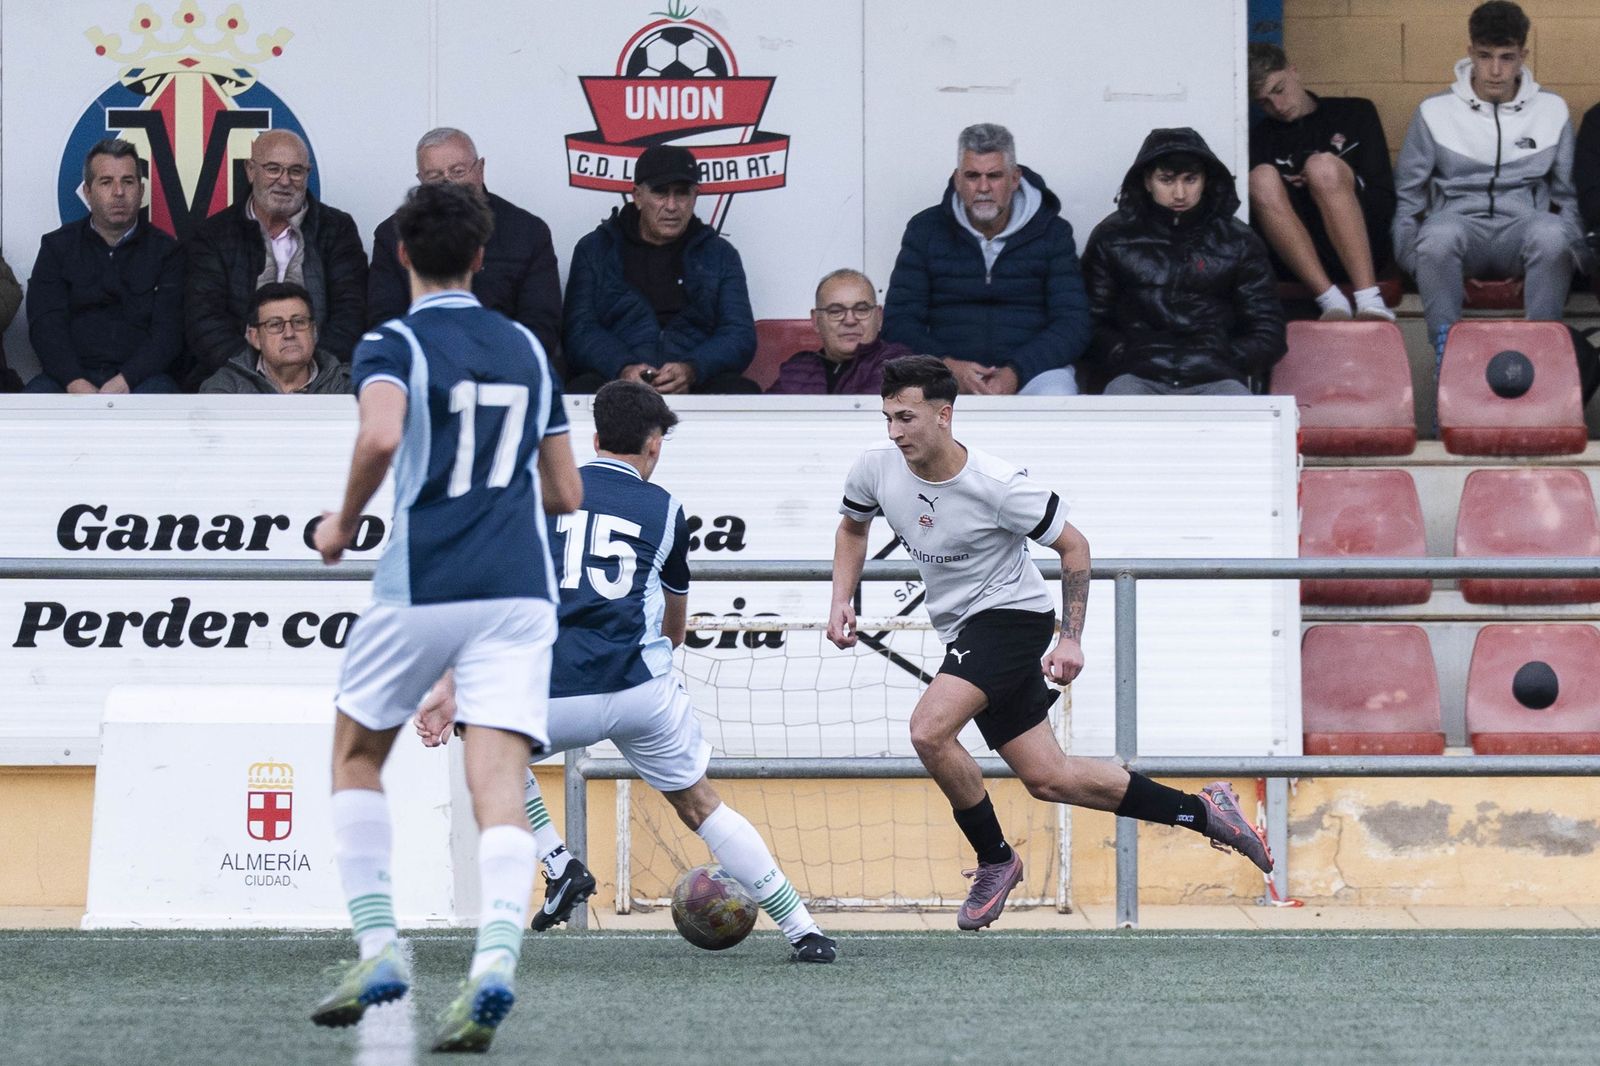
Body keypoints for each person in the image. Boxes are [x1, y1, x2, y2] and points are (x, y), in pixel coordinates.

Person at [826, 355, 1271, 930]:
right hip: (964, 629)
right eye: (887, 418)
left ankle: (995, 859)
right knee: (1049, 777)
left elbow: (1076, 547)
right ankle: (1203, 813)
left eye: (906, 418)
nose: (894, 432)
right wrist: (843, 598)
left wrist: (1071, 638)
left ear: (944, 414)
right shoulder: (874, 469)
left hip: (1013, 618)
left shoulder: (998, 485)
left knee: (928, 730)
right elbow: (852, 528)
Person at [415, 381, 837, 963]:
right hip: (641, 689)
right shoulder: (666, 509)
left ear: (594, 438)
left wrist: (451, 682)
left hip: (556, 692)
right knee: (702, 806)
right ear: (654, 444)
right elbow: (675, 626)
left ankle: (560, 865)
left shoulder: (536, 494)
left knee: (487, 746)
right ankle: (805, 931)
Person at [308, 181, 583, 1054]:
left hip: (423, 579)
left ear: (400, 256)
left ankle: (380, 948)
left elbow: (382, 436)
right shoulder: (529, 349)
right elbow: (566, 492)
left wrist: (343, 523)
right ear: (479, 256)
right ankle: (494, 963)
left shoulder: (391, 339)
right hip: (519, 589)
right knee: (498, 786)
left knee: (356, 755)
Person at [1392, 1, 1588, 353]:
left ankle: (1541, 360)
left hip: (1522, 229)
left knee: (1553, 235)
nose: (1495, 70)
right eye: (1485, 56)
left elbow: (1568, 197)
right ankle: (1446, 362)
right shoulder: (1435, 111)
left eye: (1507, 57)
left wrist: (1558, 258)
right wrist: (1420, 267)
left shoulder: (1551, 109)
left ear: (1523, 55)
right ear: (1470, 52)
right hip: (1459, 227)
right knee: (1436, 238)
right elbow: (1408, 199)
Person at [882, 124, 1089, 395]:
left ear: (1014, 179)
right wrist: (946, 367)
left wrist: (1016, 371)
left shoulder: (1052, 233)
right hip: (942, 372)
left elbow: (1073, 323)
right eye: (972, 176)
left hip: (1032, 374)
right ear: (957, 180)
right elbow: (899, 321)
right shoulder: (925, 230)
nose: (983, 187)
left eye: (994, 176)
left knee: (1057, 399)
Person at [1079, 128, 1284, 395]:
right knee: (1120, 424)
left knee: (1242, 426)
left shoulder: (1239, 241)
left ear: (1205, 180)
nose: (1179, 193)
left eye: (1190, 179)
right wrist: (1124, 354)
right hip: (1137, 376)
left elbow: (1268, 327)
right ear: (1147, 181)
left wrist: (1226, 357)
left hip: (1216, 378)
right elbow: (1088, 319)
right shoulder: (1112, 238)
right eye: (1167, 180)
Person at [563, 144, 758, 394]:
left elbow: (739, 334)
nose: (672, 206)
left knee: (740, 392)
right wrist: (623, 368)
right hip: (615, 384)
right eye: (660, 192)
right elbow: (579, 330)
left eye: (682, 194)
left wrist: (692, 369)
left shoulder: (721, 255)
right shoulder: (595, 249)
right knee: (580, 391)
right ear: (637, 196)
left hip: (696, 385)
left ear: (695, 196)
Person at [368, 127, 563, 369]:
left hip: (508, 370)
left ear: (480, 169)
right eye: (435, 176)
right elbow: (385, 318)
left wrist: (489, 362)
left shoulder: (528, 231)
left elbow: (541, 323)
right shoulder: (394, 234)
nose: (448, 183)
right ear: (420, 181)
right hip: (423, 369)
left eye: (457, 171)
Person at [186, 130, 367, 385]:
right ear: (251, 170)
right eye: (273, 169)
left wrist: (311, 374)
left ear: (307, 175)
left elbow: (351, 312)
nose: (284, 181)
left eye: (295, 171)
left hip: (323, 381)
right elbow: (204, 320)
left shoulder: (337, 229)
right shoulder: (213, 234)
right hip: (236, 379)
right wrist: (255, 375)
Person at [1247, 43, 1396, 322]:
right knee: (1261, 178)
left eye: (1279, 89)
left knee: (1322, 167)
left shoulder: (1355, 113)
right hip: (1298, 259)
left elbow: (1383, 194)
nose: (1277, 106)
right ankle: (1330, 300)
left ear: (1293, 72)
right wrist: (1290, 187)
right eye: (1263, 102)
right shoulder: (1260, 138)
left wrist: (1334, 176)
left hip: (1363, 243)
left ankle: (1369, 299)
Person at [25, 139, 183, 393]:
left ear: (141, 191)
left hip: (142, 380)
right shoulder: (57, 247)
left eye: (128, 182)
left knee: (164, 408)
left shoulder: (167, 252)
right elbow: (45, 324)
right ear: (88, 192)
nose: (119, 192)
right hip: (67, 379)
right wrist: (74, 381)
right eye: (106, 182)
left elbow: (169, 332)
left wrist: (125, 381)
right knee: (31, 409)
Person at [768, 269, 912, 395]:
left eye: (861, 310)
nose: (850, 320)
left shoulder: (898, 363)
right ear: (816, 321)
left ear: (879, 317)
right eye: (836, 311)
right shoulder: (796, 370)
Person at [199, 281, 352, 394]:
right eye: (275, 324)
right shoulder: (225, 388)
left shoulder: (347, 384)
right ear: (255, 338)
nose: (289, 333)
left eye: (299, 322)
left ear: (314, 331)